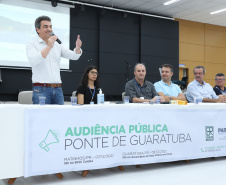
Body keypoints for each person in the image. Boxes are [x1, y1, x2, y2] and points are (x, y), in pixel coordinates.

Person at [26, 15, 82, 105]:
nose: (49, 29)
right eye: (45, 26)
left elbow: (74, 56)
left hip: (58, 89)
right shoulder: (32, 44)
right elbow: (34, 60)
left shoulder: (57, 44)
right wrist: (49, 46)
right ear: (38, 29)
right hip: (41, 89)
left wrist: (78, 48)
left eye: (50, 26)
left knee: (60, 117)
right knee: (41, 117)